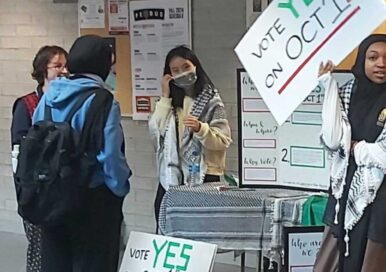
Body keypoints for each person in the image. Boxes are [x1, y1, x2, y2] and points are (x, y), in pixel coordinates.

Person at [313, 34, 386, 272]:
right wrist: (327, 86)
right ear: (362, 60)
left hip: (382, 195)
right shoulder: (347, 91)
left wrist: (353, 147)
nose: (381, 64)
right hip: (343, 188)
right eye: (373, 57)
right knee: (334, 258)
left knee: (375, 260)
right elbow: (332, 139)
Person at [32, 35, 131, 272]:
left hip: (52, 197)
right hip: (93, 200)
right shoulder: (103, 101)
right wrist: (119, 189)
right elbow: (110, 156)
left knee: (56, 263)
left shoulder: (48, 96)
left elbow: (35, 143)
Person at [149, 46, 233, 230]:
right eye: (175, 71)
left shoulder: (211, 101)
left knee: (200, 234)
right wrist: (165, 96)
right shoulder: (170, 103)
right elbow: (156, 133)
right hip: (172, 177)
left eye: (186, 67)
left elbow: (223, 141)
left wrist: (201, 129)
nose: (182, 73)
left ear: (195, 66)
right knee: (167, 230)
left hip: (205, 177)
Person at [10, 45, 68, 272]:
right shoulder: (26, 105)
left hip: (64, 188)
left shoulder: (69, 101)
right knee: (39, 248)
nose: (64, 71)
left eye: (66, 66)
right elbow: (20, 150)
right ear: (44, 69)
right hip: (37, 190)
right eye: (58, 66)